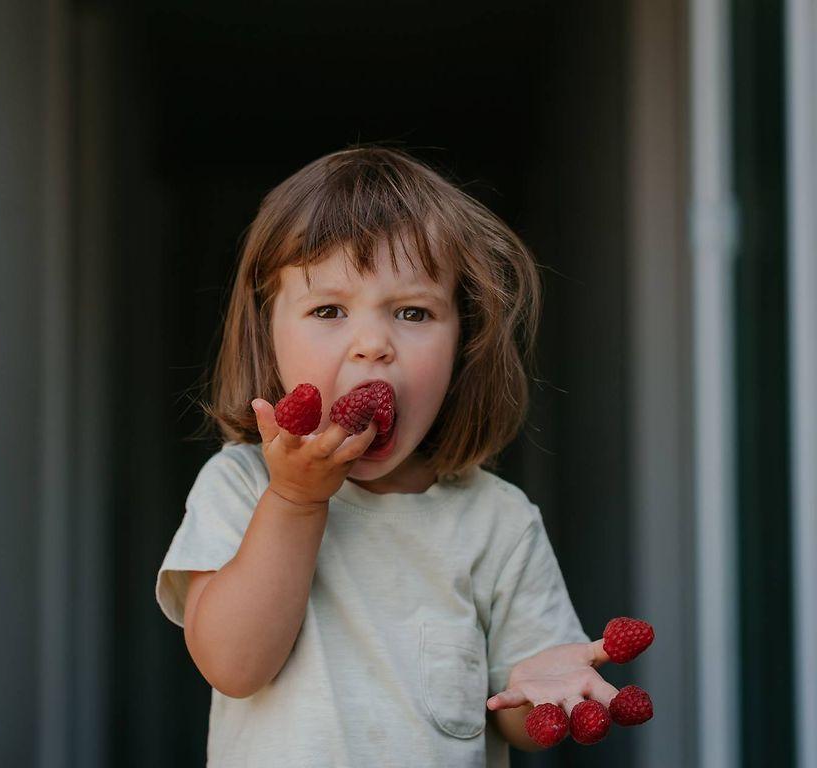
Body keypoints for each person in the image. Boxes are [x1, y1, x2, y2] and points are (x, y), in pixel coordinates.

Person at [156, 145, 618, 766]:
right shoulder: (239, 485)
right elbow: (234, 665)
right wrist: (294, 498)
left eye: (412, 312)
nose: (373, 344)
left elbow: (517, 720)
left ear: (464, 340)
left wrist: (549, 698)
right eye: (328, 310)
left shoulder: (498, 521)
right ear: (268, 331)